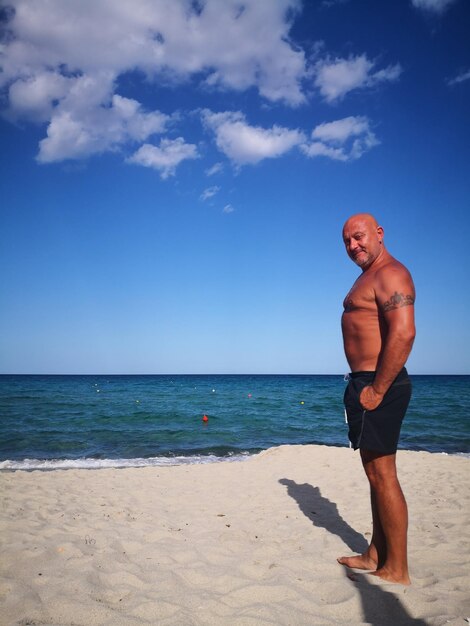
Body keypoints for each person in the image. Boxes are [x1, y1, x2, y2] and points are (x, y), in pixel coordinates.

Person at [338, 213, 416, 585]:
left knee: (384, 476)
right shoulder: (368, 275)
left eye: (359, 237)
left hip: (379, 382)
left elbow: (403, 334)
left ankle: (397, 568)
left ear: (379, 234)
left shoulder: (391, 272)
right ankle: (374, 554)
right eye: (347, 242)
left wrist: (377, 389)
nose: (353, 246)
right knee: (374, 474)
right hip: (365, 381)